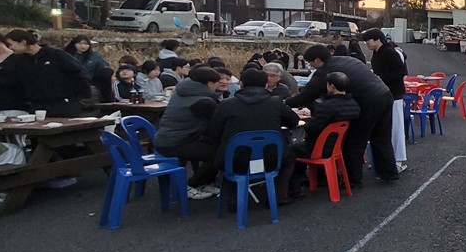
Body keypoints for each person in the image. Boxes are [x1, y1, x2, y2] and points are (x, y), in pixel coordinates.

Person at [285, 45, 400, 186]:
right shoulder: (347, 60)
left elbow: (306, 95)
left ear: (317, 60)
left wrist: (284, 103)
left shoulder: (325, 72)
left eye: (311, 63)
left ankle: (353, 180)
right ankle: (389, 172)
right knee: (381, 137)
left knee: (355, 142)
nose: (311, 66)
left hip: (368, 102)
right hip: (385, 94)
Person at [204, 68, 301, 209]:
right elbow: (293, 121)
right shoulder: (275, 102)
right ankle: (277, 196)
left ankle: (232, 200)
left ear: (241, 84)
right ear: (265, 84)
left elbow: (213, 133)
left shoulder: (226, 105)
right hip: (270, 158)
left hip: (233, 159)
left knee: (229, 152)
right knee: (289, 157)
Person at [289, 71, 362, 196]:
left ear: (332, 86)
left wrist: (306, 123)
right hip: (336, 147)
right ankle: (314, 178)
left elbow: (312, 128)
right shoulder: (353, 105)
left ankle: (296, 184)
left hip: (318, 148)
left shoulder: (327, 106)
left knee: (290, 150)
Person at [153, 66, 221, 200]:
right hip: (175, 142)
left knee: (214, 146)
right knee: (219, 154)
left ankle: (206, 182)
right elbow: (219, 120)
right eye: (217, 82)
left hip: (170, 137)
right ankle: (193, 185)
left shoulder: (182, 92)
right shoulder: (203, 101)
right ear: (209, 84)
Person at [2, 29, 88, 117]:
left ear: (23, 42)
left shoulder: (55, 54)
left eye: (10, 44)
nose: (10, 48)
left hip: (62, 105)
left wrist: (75, 97)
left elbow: (79, 72)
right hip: (36, 105)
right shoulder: (19, 60)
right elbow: (10, 79)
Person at [363, 28, 408, 173]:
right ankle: (385, 159)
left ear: (377, 39)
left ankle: (399, 160)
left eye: (368, 40)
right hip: (382, 94)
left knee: (396, 127)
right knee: (384, 128)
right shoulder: (376, 53)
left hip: (394, 95)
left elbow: (401, 72)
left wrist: (381, 78)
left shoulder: (390, 52)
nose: (366, 44)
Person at [65, 35, 112, 102]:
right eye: (80, 43)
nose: (83, 46)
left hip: (89, 81)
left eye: (86, 44)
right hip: (71, 81)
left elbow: (103, 65)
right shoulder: (66, 55)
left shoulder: (94, 56)